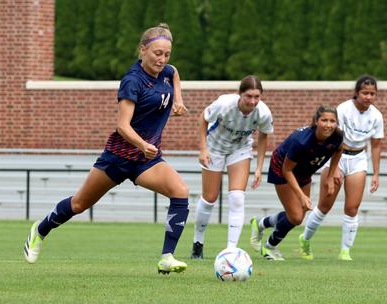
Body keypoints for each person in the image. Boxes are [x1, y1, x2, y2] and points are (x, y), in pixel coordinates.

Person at [23, 23, 191, 274]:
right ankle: (40, 229)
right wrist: (143, 144)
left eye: (167, 54)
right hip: (119, 157)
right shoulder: (132, 81)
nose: (162, 59)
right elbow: (122, 125)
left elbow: (174, 73)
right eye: (157, 53)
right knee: (79, 204)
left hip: (146, 161)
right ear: (143, 50)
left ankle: (167, 257)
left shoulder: (166, 71)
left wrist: (178, 99)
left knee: (180, 192)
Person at [299, 75, 384, 261]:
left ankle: (345, 251)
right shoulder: (343, 109)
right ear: (356, 93)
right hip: (336, 157)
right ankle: (305, 240)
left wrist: (376, 173)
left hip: (358, 159)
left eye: (372, 93)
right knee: (324, 206)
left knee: (352, 207)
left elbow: (376, 145)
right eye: (365, 93)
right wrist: (333, 167)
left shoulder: (376, 116)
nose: (368, 97)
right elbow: (332, 138)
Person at [190, 75, 274, 259]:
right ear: (240, 94)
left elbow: (263, 136)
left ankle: (230, 251)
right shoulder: (224, 104)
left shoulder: (263, 113)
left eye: (257, 97)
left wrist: (259, 167)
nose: (252, 101)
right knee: (210, 198)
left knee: (237, 197)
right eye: (248, 96)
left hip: (240, 150)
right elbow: (203, 119)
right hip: (215, 148)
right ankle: (198, 243)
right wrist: (203, 149)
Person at [249, 105, 343, 260]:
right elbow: (287, 170)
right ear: (315, 121)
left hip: (304, 170)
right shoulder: (302, 141)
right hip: (282, 168)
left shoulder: (337, 136)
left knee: (299, 213)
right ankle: (269, 247)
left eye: (332, 121)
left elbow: (338, 151)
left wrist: (331, 176)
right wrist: (300, 195)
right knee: (296, 217)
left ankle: (261, 223)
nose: (328, 125)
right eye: (324, 120)